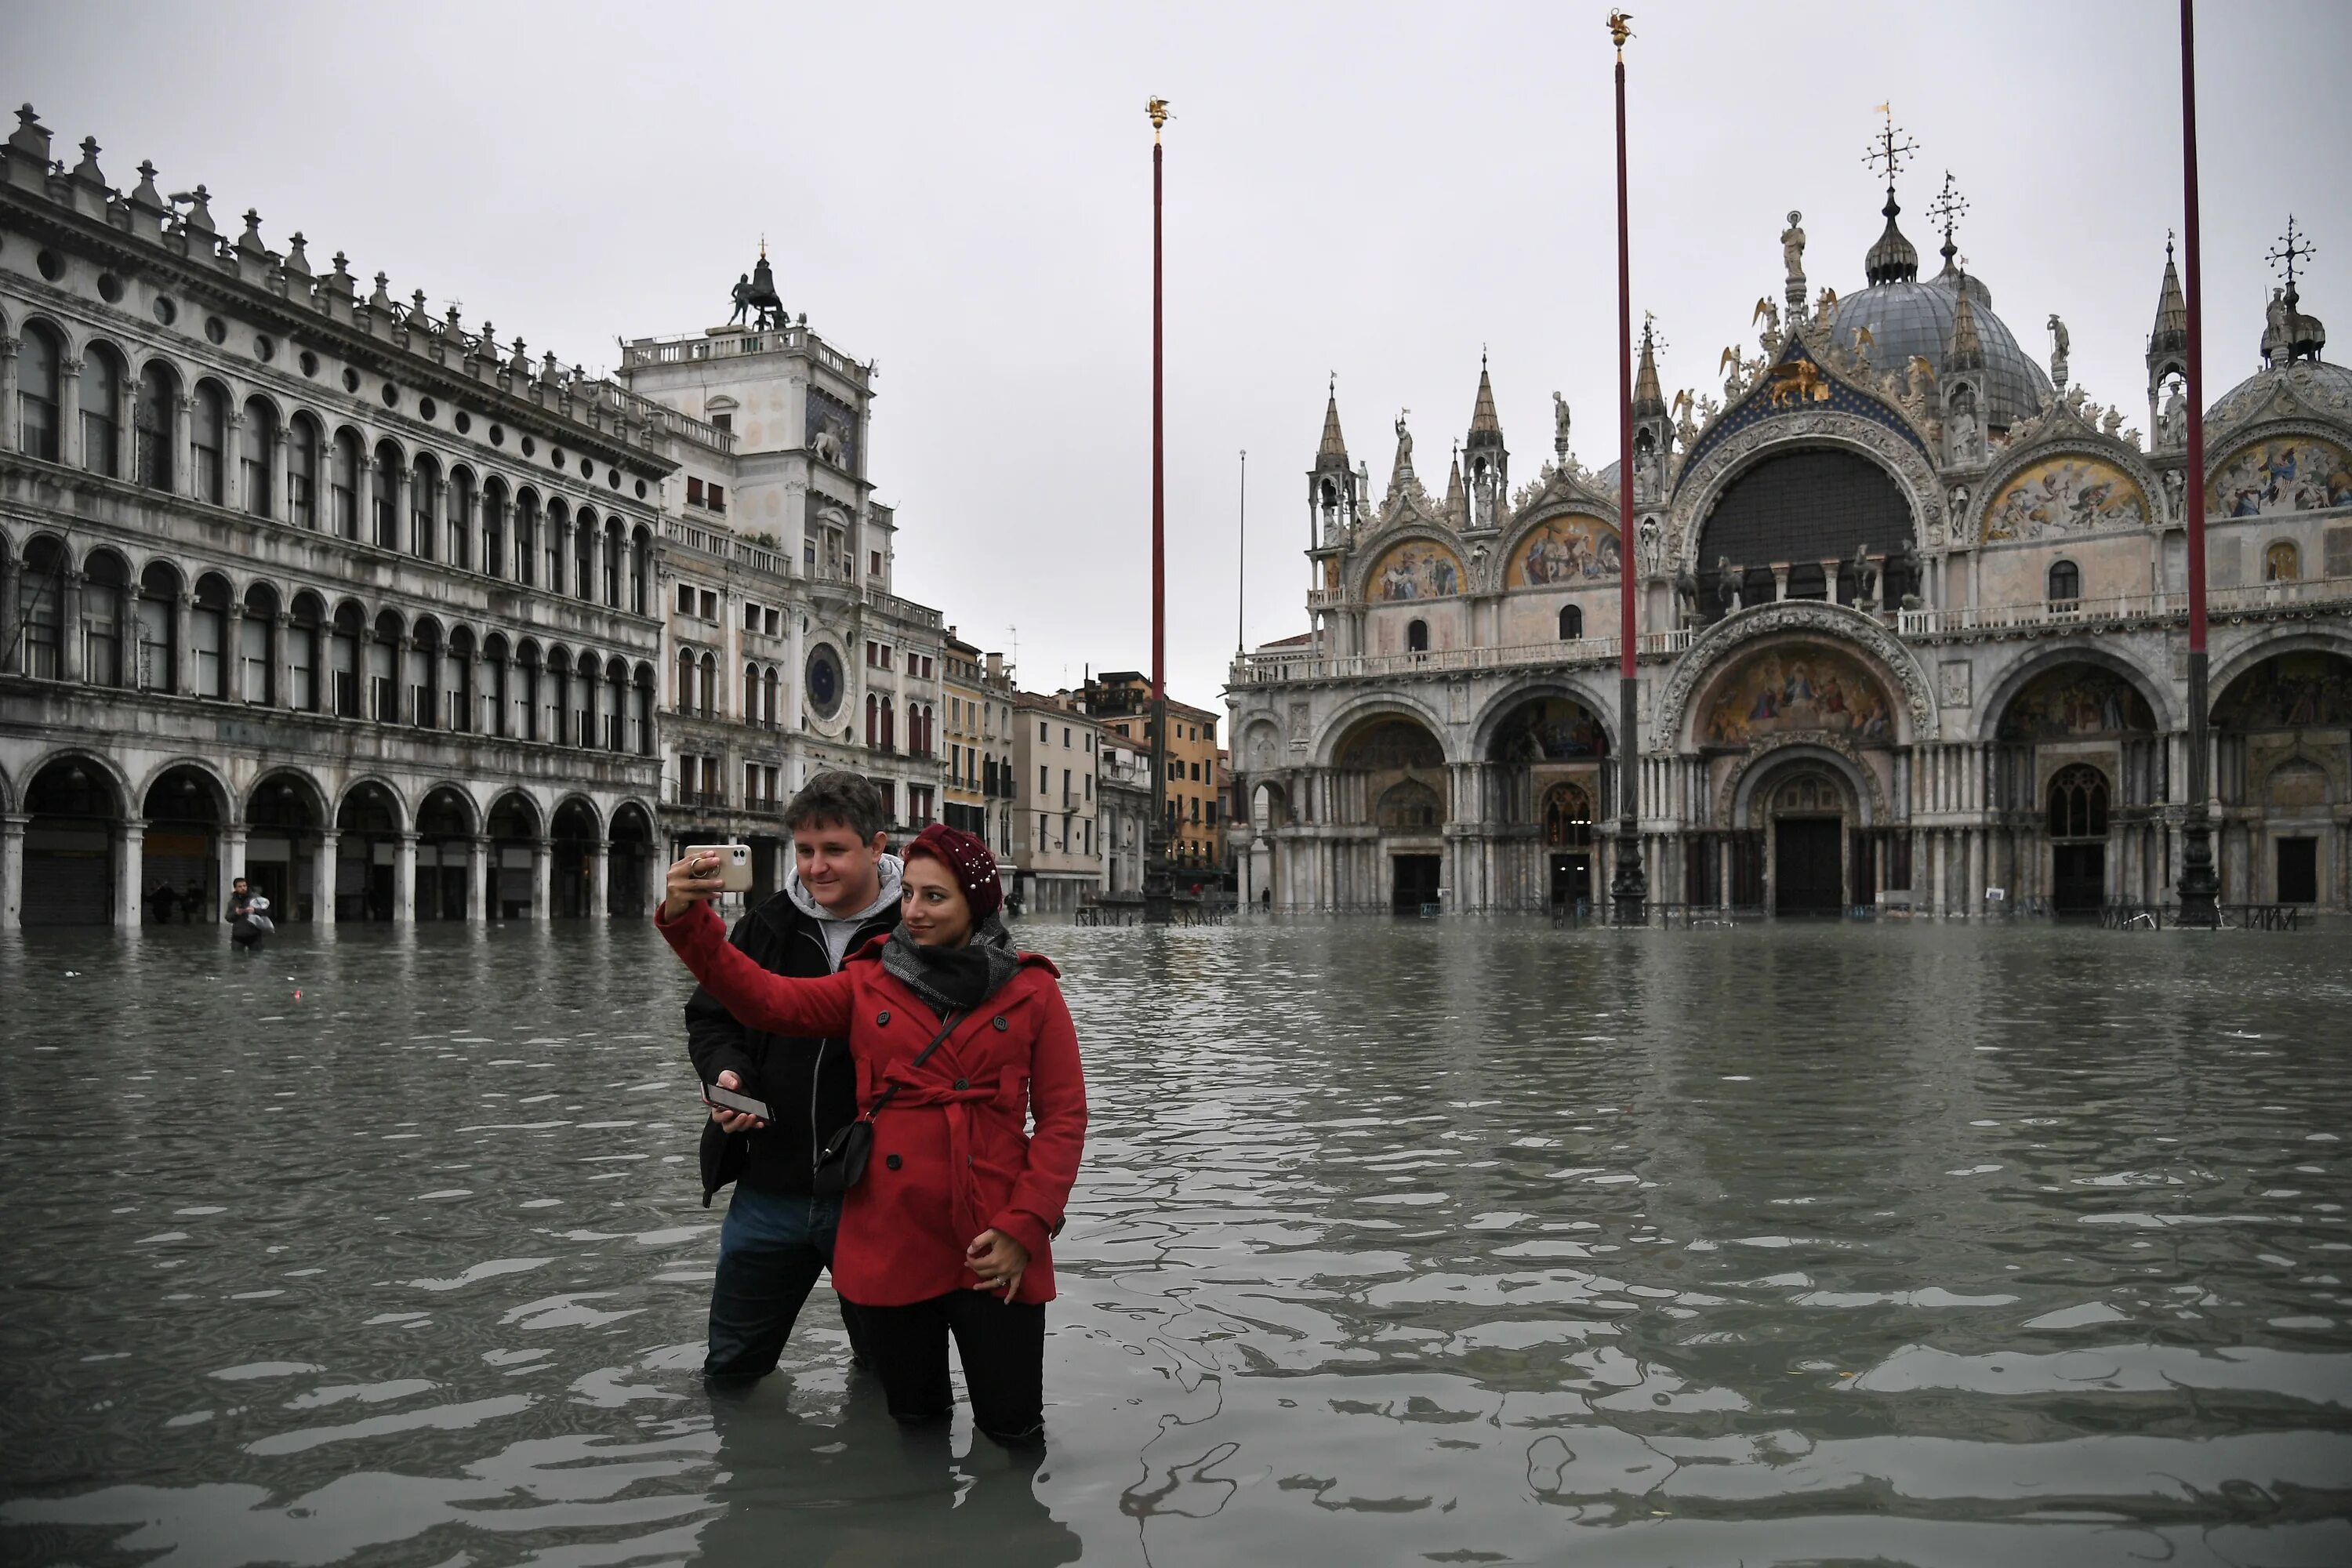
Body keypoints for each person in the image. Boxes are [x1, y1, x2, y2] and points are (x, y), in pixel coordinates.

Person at [658, 822, 1086, 1446]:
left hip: (994, 1237)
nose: (912, 910)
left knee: (1013, 1430)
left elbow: (1063, 1120)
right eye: (908, 893)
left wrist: (1026, 1227)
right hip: (891, 1234)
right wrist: (688, 919)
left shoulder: (1033, 990)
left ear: (977, 902)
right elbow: (766, 1001)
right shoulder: (868, 981)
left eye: (934, 897)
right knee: (913, 1426)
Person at [687, 771, 905, 1385]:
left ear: (877, 845)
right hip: (768, 1183)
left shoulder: (917, 932)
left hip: (877, 1195)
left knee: (890, 1375)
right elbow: (711, 1019)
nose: (816, 867)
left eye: (834, 850)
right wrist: (726, 1076)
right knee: (730, 1371)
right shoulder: (764, 925)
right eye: (806, 851)